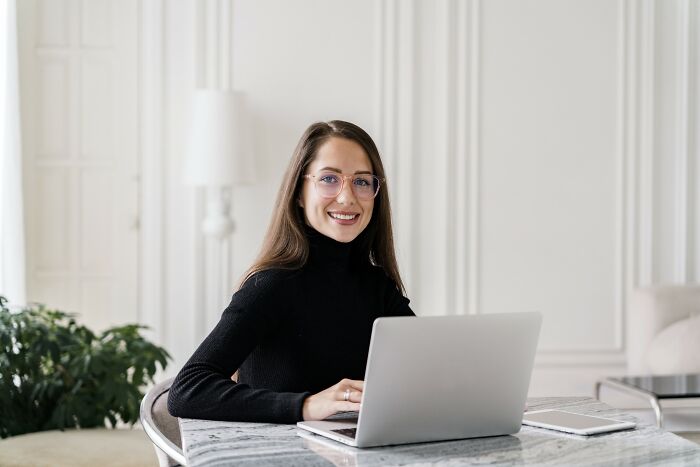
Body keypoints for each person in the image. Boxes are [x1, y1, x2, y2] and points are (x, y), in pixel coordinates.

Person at [167, 120, 414, 424]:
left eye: (362, 181)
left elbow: (426, 372)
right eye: (329, 179)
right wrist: (308, 406)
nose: (348, 197)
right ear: (299, 193)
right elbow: (187, 390)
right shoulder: (272, 285)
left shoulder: (378, 287)